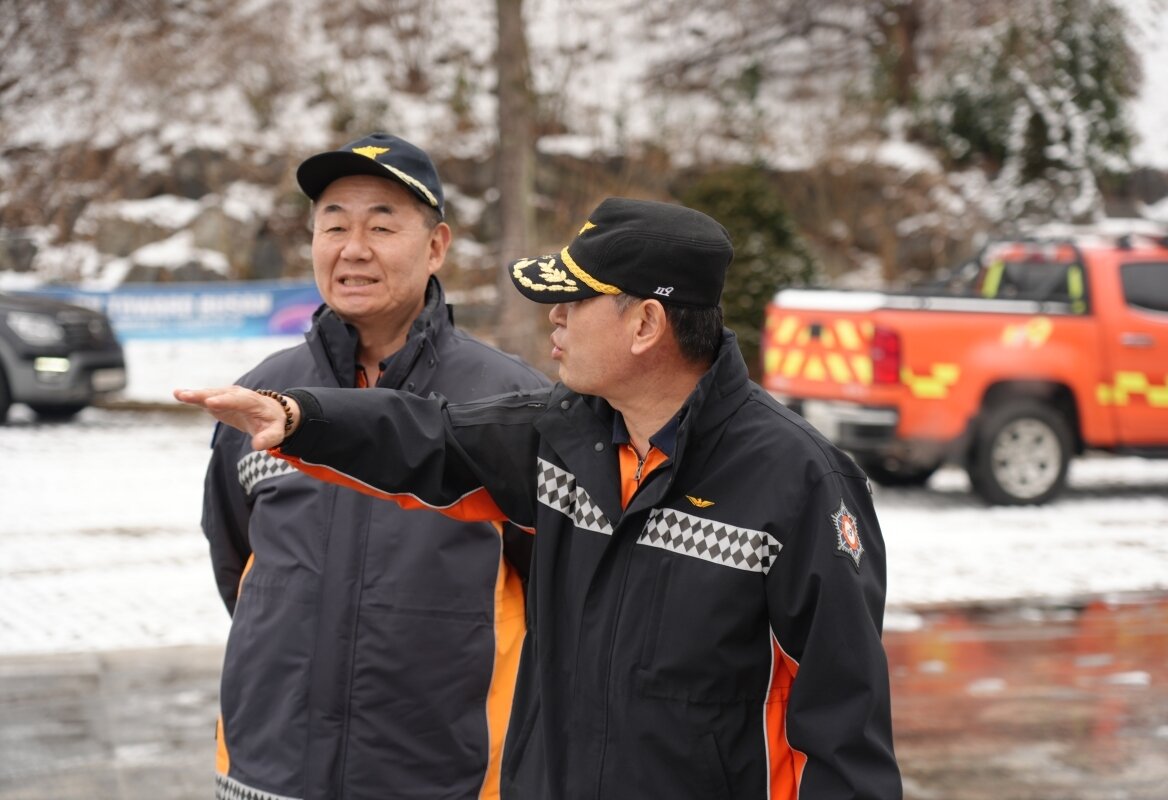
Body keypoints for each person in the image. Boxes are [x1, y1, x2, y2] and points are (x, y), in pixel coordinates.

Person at [180, 197, 902, 799]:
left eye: (571, 301)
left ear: (646, 324)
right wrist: (303, 418)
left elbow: (844, 731)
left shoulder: (800, 482)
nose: (552, 319)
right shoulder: (563, 436)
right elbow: (429, 435)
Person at [198, 132, 549, 800]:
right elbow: (235, 562)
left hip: (450, 773)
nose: (352, 249)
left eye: (381, 226)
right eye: (333, 224)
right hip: (272, 767)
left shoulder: (509, 403)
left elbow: (555, 589)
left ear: (437, 245)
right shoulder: (260, 399)